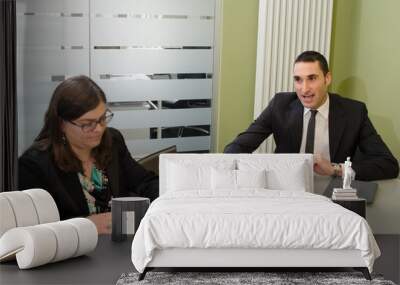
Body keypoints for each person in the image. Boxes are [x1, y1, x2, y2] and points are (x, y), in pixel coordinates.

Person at [224, 51, 399, 183]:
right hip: (289, 188)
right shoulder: (280, 105)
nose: (304, 89)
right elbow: (239, 146)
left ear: (327, 78)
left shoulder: (354, 112)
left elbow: (388, 165)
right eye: (298, 80)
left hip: (332, 188)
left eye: (312, 78)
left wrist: (335, 169)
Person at [18, 75, 159, 232]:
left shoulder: (112, 141)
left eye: (102, 118)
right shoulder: (35, 165)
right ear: (61, 124)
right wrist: (86, 225)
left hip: (119, 243)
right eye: (87, 124)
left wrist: (175, 199)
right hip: (74, 251)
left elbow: (144, 182)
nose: (98, 128)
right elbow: (35, 230)